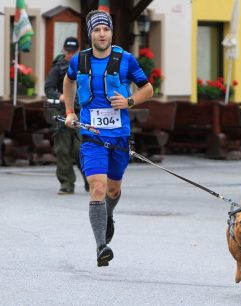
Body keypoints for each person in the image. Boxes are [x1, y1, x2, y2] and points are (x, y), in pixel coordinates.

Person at [63, 10, 153, 266]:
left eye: (106, 30)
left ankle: (108, 215)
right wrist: (70, 111)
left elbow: (148, 87)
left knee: (113, 189)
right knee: (98, 187)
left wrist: (129, 101)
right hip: (91, 136)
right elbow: (68, 83)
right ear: (90, 33)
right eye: (97, 30)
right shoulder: (78, 61)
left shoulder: (126, 60)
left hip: (119, 137)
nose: (102, 34)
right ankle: (101, 246)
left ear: (111, 32)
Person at [45, 37, 89, 195]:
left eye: (73, 52)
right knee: (63, 149)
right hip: (61, 112)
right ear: (64, 50)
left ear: (78, 51)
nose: (70, 55)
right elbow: (48, 89)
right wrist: (61, 96)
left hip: (80, 112)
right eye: (68, 52)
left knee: (80, 149)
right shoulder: (58, 68)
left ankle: (90, 181)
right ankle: (66, 183)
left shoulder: (84, 66)